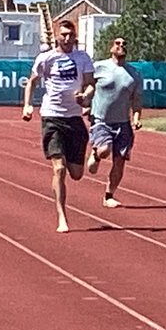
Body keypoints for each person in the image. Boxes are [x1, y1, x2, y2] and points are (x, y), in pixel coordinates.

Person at [22, 21, 96, 233]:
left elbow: (91, 83)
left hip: (74, 118)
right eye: (63, 34)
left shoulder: (83, 58)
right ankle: (62, 216)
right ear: (56, 37)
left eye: (70, 34)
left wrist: (86, 96)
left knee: (76, 174)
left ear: (75, 37)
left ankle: (90, 158)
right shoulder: (46, 58)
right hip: (52, 116)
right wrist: (28, 105)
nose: (66, 38)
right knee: (59, 168)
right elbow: (32, 82)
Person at [85, 36, 143, 208]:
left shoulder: (134, 74)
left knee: (120, 160)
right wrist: (85, 101)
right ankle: (96, 154)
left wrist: (137, 117)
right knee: (104, 150)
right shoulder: (99, 67)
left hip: (123, 123)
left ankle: (109, 195)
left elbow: (136, 99)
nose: (121, 46)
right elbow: (87, 86)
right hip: (101, 119)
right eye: (118, 44)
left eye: (124, 44)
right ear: (111, 47)